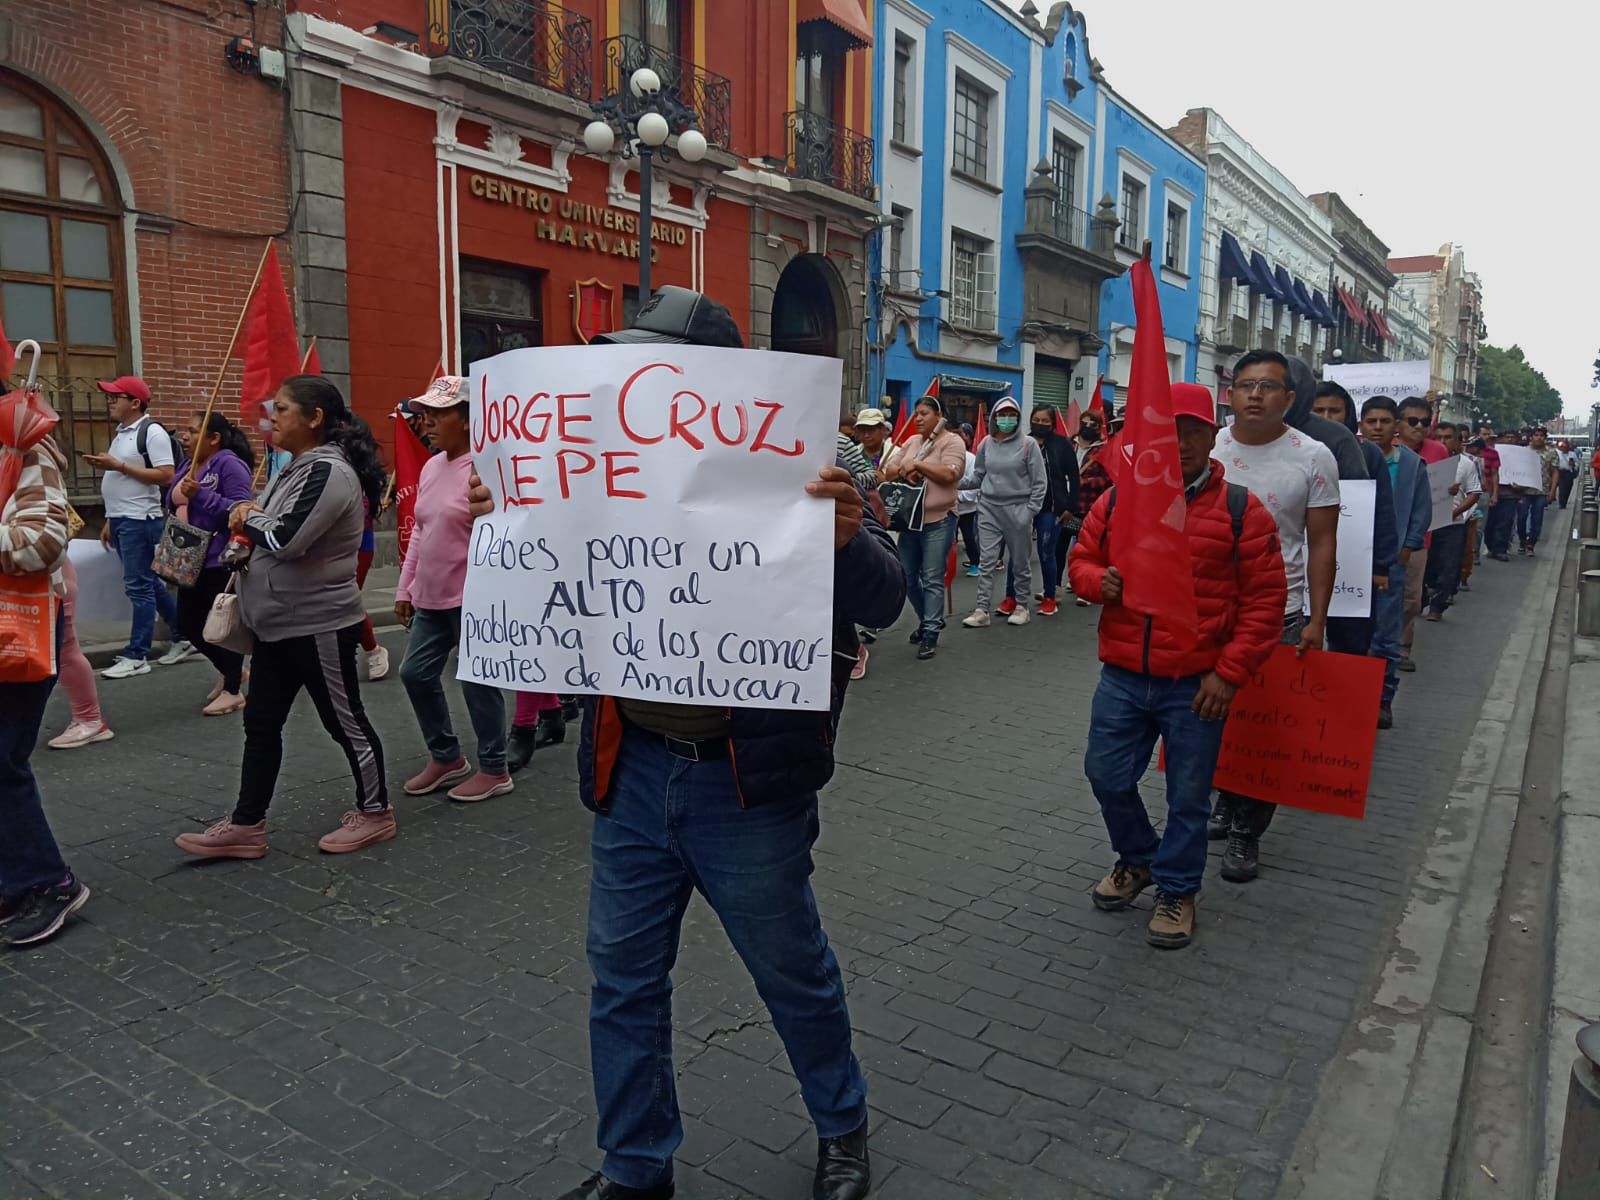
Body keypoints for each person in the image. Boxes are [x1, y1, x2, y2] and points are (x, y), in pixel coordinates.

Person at [463, 287, 902, 1200]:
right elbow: (552, 567)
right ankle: (636, 1169)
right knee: (622, 985)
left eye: (642, 359)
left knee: (792, 972)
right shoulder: (595, 463)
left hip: (748, 793)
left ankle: (842, 1124)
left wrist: (846, 540)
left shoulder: (802, 465)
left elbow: (884, 602)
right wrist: (507, 505)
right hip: (632, 775)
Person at [1071, 384, 1286, 948]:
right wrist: (1101, 583)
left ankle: (1177, 889)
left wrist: (1229, 673)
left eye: (1193, 430)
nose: (1181, 442)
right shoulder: (1119, 500)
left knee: (1188, 798)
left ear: (1213, 436)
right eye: (1169, 431)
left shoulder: (1242, 509)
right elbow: (1082, 562)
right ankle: (1139, 858)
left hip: (1196, 684)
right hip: (1123, 674)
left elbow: (1266, 603)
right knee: (1106, 775)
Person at [174, 376, 392, 859]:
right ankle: (247, 825)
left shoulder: (328, 472)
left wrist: (245, 515)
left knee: (345, 723)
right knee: (261, 723)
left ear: (314, 418)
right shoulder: (294, 468)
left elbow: (286, 538)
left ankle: (375, 812)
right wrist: (247, 515)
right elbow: (262, 524)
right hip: (276, 624)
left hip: (318, 624)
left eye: (284, 409)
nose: (272, 418)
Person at [1207, 351, 1339, 880]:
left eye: (1268, 386)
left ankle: (1247, 830)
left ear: (1289, 398)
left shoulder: (1313, 457)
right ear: (1231, 393)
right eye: (1245, 385)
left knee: (1263, 728)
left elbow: (1323, 542)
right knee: (1210, 716)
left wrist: (1316, 618)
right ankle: (1223, 800)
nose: (1255, 395)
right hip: (1210, 609)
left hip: (1279, 612)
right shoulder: (1208, 445)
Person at [393, 376, 512, 803]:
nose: (427, 422)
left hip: (472, 597)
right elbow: (422, 534)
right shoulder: (431, 466)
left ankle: (495, 768)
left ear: (467, 419)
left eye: (439, 413)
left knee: (478, 680)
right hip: (430, 596)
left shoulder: (489, 469)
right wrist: (405, 588)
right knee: (414, 673)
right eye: (425, 414)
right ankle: (446, 757)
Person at [0, 428, 91, 947]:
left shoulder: (23, 447)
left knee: (3, 758)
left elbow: (45, 541)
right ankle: (17, 881)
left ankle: (47, 882)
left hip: (20, 621)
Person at [82, 377, 180, 678]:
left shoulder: (152, 433)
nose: (110, 401)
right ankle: (184, 634)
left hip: (140, 520)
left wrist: (118, 466)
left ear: (135, 402)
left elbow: (166, 475)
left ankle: (137, 654)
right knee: (147, 583)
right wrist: (111, 519)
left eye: (116, 397)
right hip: (123, 519)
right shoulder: (122, 433)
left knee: (139, 587)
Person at [166, 412, 256, 715]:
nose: (185, 438)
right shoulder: (187, 464)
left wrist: (201, 495)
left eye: (193, 432)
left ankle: (233, 689)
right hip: (188, 557)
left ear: (214, 438)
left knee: (222, 624)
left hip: (218, 558)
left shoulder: (229, 465)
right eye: (186, 432)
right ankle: (228, 671)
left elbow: (240, 511)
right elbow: (172, 497)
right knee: (187, 624)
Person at [1310, 382, 1396, 658]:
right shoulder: (1292, 449)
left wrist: (1380, 566)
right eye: (1318, 410)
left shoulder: (1368, 454)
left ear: (1347, 415)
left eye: (1334, 411)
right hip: (1305, 563)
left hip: (1353, 569)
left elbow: (1382, 511)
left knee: (1350, 643)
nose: (1326, 417)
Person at [1359, 396, 1430, 724]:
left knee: (1386, 634)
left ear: (1396, 426)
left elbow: (1421, 510)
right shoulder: (1350, 458)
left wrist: (1406, 547)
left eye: (1384, 421)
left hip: (1391, 564)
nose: (1377, 427)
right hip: (1353, 560)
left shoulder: (1412, 465)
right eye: (1371, 421)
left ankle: (1383, 698)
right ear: (1361, 425)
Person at [882, 393, 965, 660]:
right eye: (916, 413)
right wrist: (908, 468)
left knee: (931, 577)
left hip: (939, 518)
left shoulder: (952, 441)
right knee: (906, 576)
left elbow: (951, 474)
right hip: (909, 520)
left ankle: (930, 632)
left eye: (924, 414)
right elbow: (889, 470)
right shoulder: (912, 441)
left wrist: (919, 464)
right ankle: (928, 618)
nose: (917, 418)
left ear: (938, 417)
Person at [959, 397, 1046, 629]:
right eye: (1002, 414)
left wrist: (1029, 513)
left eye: (1011, 414)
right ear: (995, 417)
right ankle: (981, 610)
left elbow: (1039, 483)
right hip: (988, 508)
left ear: (1017, 417)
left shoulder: (1029, 445)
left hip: (1018, 509)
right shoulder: (986, 443)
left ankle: (1021, 606)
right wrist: (951, 481)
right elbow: (977, 476)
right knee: (986, 561)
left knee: (1019, 562)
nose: (1006, 419)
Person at [1005, 403, 1078, 616]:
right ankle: (1012, 597)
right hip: (1023, 507)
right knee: (1017, 554)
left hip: (1052, 508)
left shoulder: (1062, 445)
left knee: (1047, 552)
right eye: (1036, 420)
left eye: (1045, 421)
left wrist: (1071, 507)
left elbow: (1074, 476)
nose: (1040, 424)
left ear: (1053, 424)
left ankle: (1049, 597)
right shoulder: (1022, 443)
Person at [1396, 398, 1447, 666]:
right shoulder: (1383, 448)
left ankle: (1402, 646)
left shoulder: (1438, 451)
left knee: (1412, 599)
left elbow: (1438, 499)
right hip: (1383, 537)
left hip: (1419, 539)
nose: (1419, 427)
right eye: (1412, 421)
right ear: (1399, 422)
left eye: (1424, 422)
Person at [46, 558, 115, 750]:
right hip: (42, 581)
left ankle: (89, 720)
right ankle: (89, 720)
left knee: (66, 649)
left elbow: (47, 543)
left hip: (48, 582)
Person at [1423, 422, 1481, 621]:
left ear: (1458, 440)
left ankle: (1437, 607)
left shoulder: (1465, 464)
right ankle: (1423, 597)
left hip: (1452, 524)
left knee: (1449, 567)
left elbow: (1474, 493)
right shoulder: (1424, 460)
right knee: (1426, 565)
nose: (1442, 442)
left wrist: (1455, 511)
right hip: (1425, 524)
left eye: (1447, 437)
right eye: (1438, 437)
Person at [356, 499, 389, 681]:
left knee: (348, 599)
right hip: (322, 540)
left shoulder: (357, 472)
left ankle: (373, 650)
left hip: (358, 539)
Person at [1518, 427, 1560, 555]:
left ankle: (1531, 544)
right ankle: (1522, 541)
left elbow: (1555, 472)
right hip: (1524, 491)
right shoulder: (1523, 452)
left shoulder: (1551, 452)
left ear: (1545, 437)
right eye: (1536, 435)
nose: (1538, 438)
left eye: (1541, 435)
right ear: (1531, 437)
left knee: (1537, 518)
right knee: (1521, 517)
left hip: (1541, 491)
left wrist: (1553, 491)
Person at [1477, 423, 1513, 562]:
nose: (1486, 437)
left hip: (1486, 493)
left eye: (1488, 434)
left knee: (1482, 524)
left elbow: (1494, 474)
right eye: (1483, 434)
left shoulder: (1493, 453)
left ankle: (1487, 551)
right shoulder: (1470, 451)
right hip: (1469, 493)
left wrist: (1495, 494)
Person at [956, 423, 981, 576]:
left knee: (968, 537)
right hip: (949, 507)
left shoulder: (971, 459)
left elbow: (973, 485)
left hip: (967, 508)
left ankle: (975, 563)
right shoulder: (946, 458)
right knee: (947, 541)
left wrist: (958, 496)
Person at [1556, 439, 1578, 509]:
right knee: (1562, 488)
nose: (1564, 447)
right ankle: (1561, 503)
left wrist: (1573, 464)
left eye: (1566, 446)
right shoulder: (1557, 453)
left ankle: (1565, 501)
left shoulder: (1572, 454)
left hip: (1569, 473)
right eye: (1563, 446)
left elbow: (1577, 463)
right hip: (1560, 472)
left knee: (1568, 488)